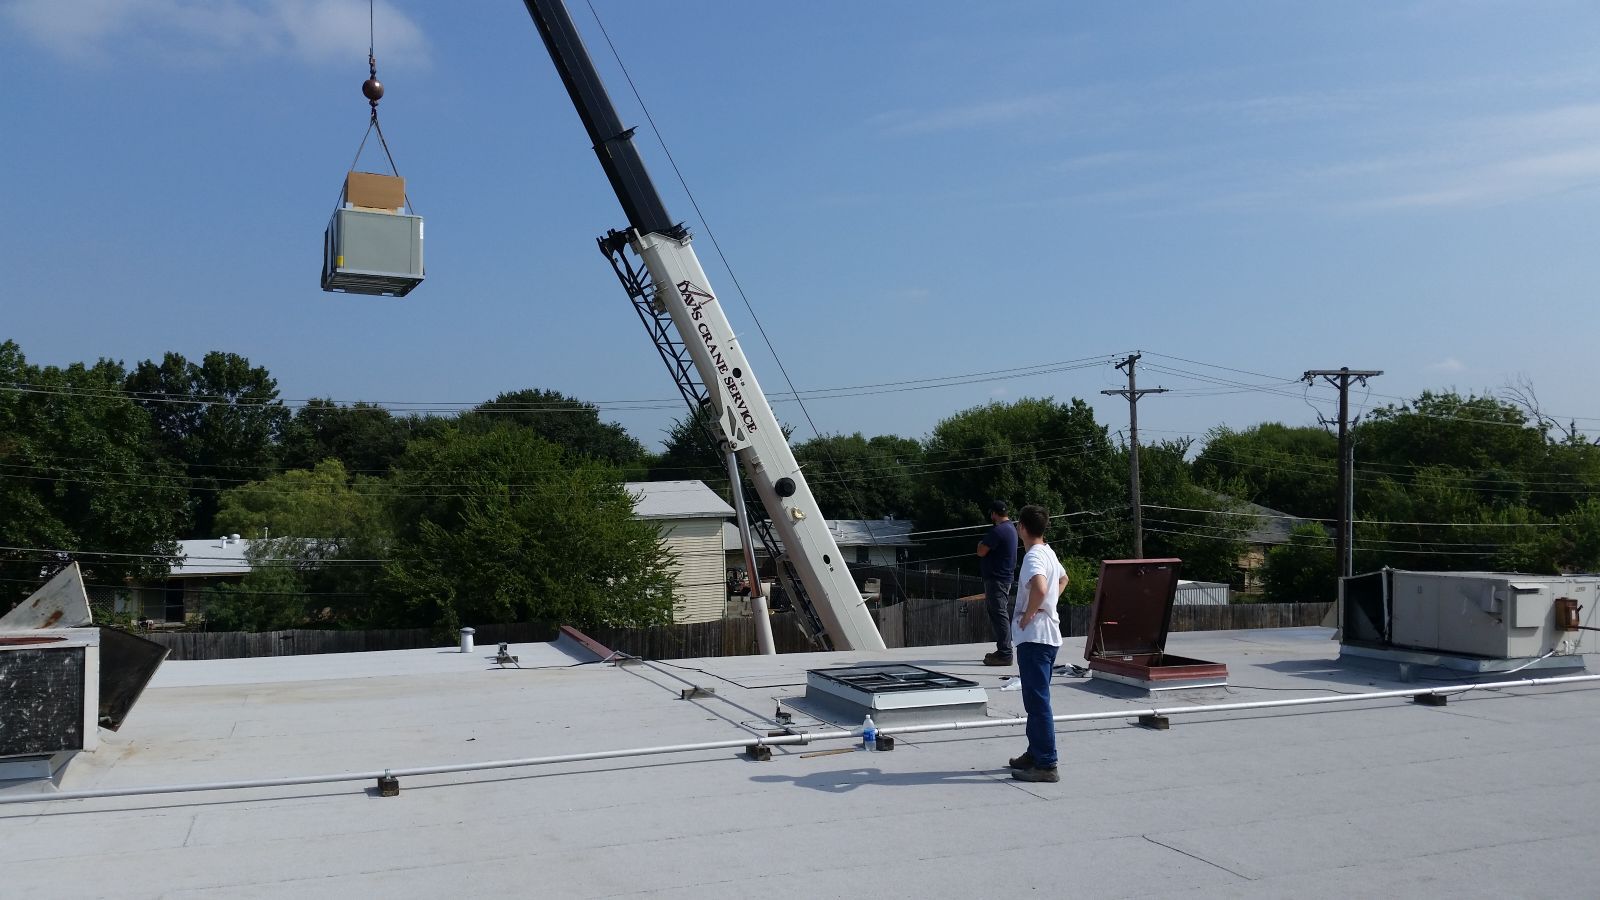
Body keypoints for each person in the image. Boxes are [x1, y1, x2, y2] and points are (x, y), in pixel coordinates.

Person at [1007, 504, 1068, 784]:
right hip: (1048, 635)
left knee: (1038, 701)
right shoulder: (1049, 552)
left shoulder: (1033, 556)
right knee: (1035, 699)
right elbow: (1064, 579)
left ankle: (1046, 762)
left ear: (1022, 527)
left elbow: (1042, 588)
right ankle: (1035, 753)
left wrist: (1032, 611)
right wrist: (1048, 604)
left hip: (1035, 637)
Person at [975, 500, 1018, 666]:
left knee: (999, 615)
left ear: (994, 513)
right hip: (1003, 578)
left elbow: (981, 551)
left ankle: (1005, 654)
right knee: (998, 613)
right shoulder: (1010, 528)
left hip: (997, 580)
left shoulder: (998, 531)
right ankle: (1002, 650)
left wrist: (979, 543)